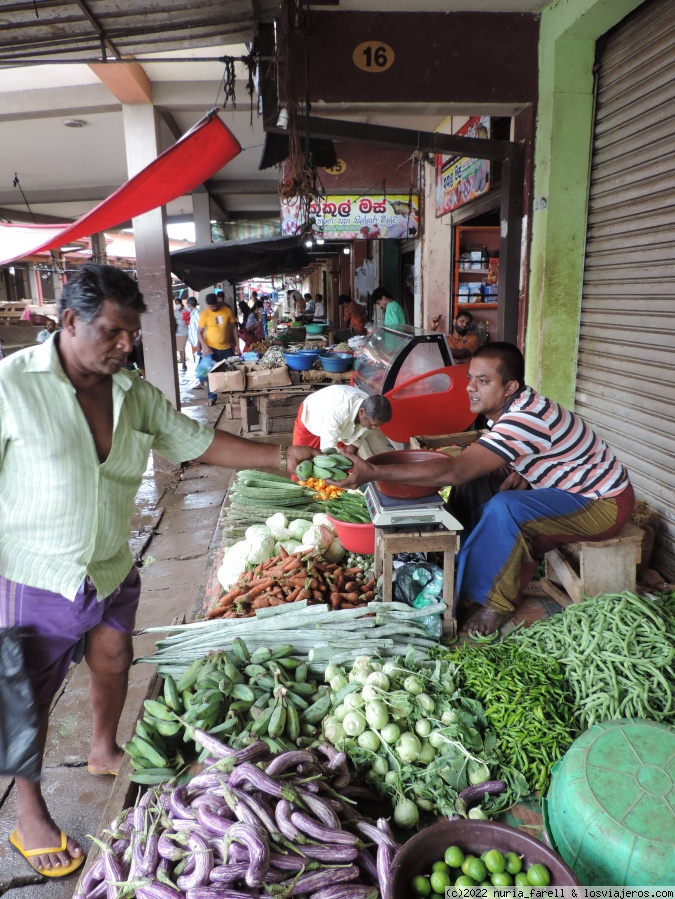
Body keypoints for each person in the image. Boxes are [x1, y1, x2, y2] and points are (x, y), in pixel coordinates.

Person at [0, 263, 315, 879]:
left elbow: (197, 443)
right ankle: (29, 811)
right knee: (24, 695)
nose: (126, 345)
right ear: (70, 322)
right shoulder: (12, 387)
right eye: (114, 333)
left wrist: (288, 460)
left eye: (132, 335)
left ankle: (102, 746)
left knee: (114, 660)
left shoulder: (131, 393)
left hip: (110, 564)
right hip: (34, 573)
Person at [334, 342, 635, 635]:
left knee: (506, 508)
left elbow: (454, 469)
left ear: (510, 387)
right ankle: (459, 558)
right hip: (568, 487)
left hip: (603, 504)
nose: (469, 387)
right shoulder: (513, 408)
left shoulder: (525, 417)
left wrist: (373, 471)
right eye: (469, 379)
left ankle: (494, 601)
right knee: (475, 480)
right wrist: (524, 471)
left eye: (483, 381)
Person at [292, 385, 392, 452]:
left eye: (377, 426)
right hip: (312, 417)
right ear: (361, 412)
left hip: (338, 426)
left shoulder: (369, 413)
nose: (374, 428)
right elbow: (328, 448)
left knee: (346, 466)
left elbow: (355, 442)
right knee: (302, 461)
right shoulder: (340, 408)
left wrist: (349, 461)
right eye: (372, 424)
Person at [198, 292, 238, 406]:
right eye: (210, 306)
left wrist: (237, 344)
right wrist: (204, 346)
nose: (212, 308)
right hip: (211, 349)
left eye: (214, 305)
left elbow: (234, 327)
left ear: (217, 302)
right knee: (209, 374)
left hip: (226, 348)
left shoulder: (227, 311)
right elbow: (199, 333)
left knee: (230, 372)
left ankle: (232, 396)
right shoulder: (205, 314)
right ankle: (212, 397)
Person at [173, 297, 189, 371]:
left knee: (182, 348)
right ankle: (182, 364)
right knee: (180, 349)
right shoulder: (176, 311)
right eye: (176, 303)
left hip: (183, 332)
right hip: (177, 333)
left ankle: (184, 364)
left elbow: (187, 320)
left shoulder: (185, 311)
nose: (177, 304)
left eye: (177, 303)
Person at [187, 297, 200, 362]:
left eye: (187, 304)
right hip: (194, 342)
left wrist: (198, 344)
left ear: (189, 304)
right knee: (196, 361)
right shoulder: (192, 315)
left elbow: (199, 330)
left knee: (198, 361)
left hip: (197, 343)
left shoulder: (197, 314)